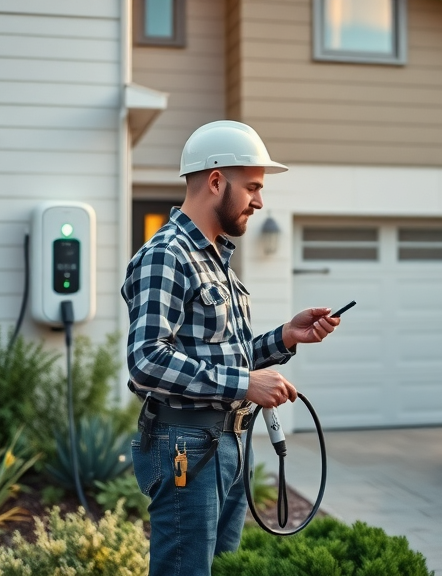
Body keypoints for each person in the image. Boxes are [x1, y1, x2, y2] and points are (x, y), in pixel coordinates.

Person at [121, 120, 340, 576]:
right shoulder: (168, 255)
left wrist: (284, 338)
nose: (260, 201)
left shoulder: (217, 261)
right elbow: (145, 361)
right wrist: (244, 383)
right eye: (253, 187)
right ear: (216, 180)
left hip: (229, 444)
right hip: (186, 445)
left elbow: (220, 355)